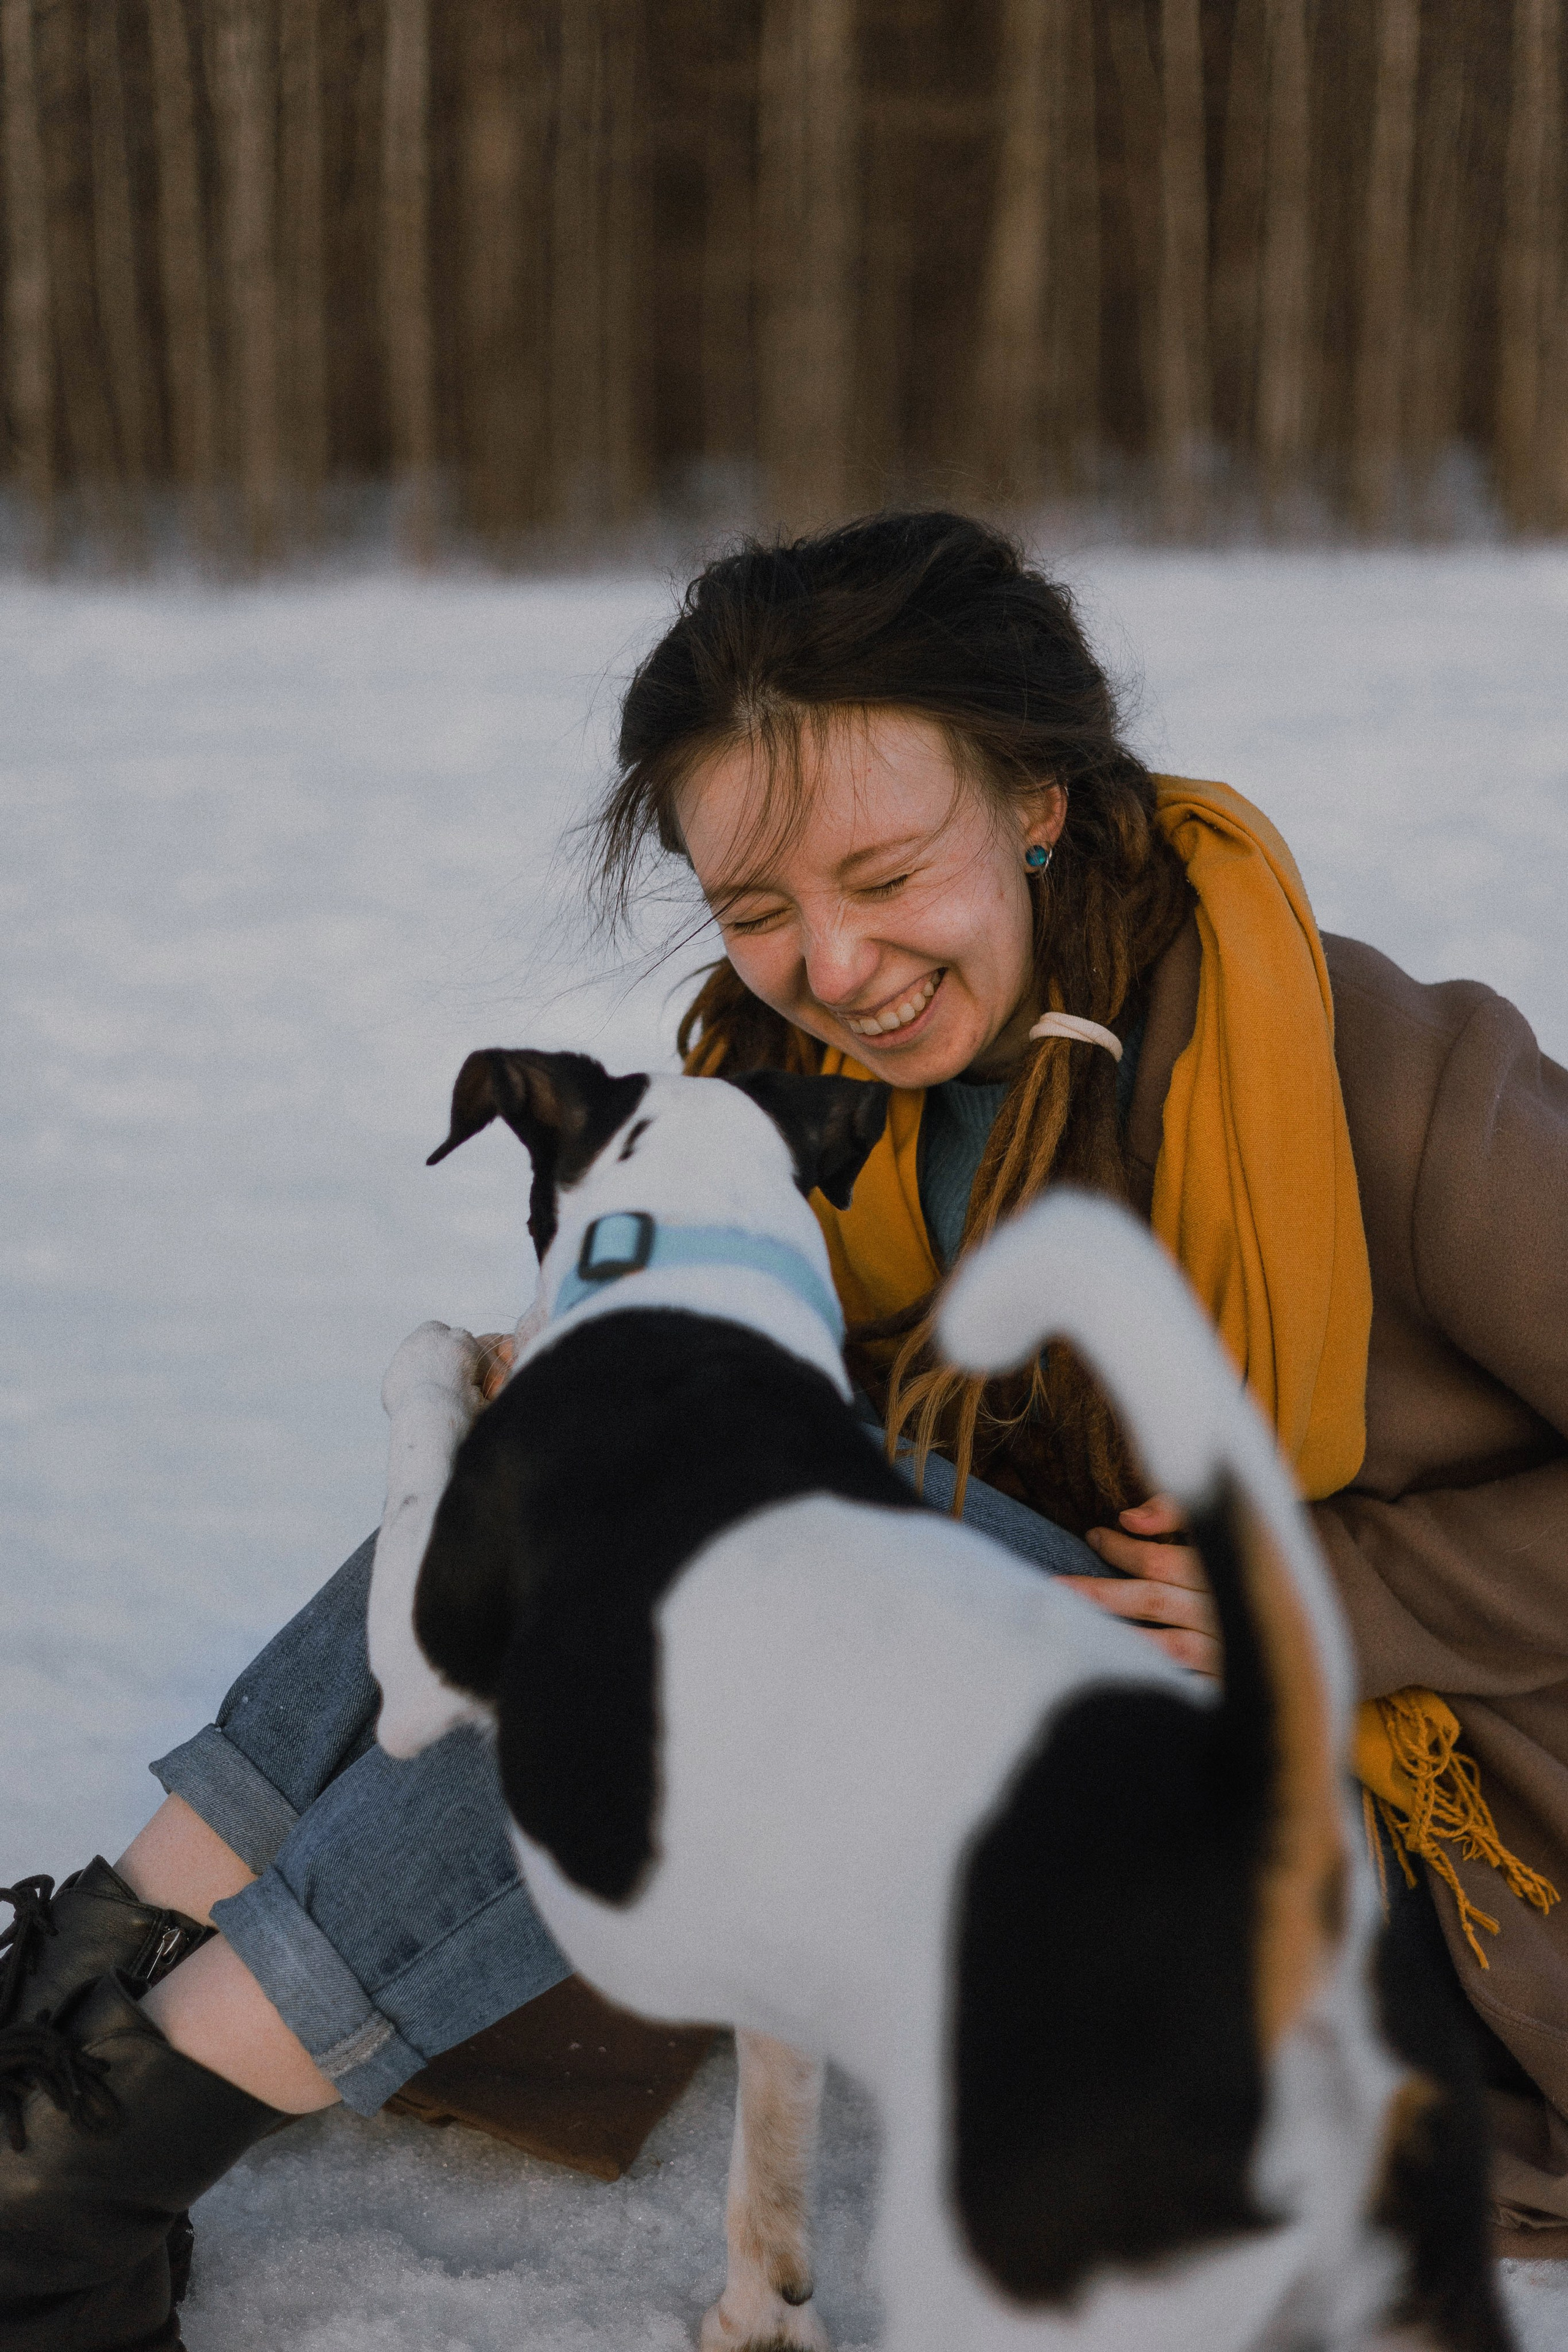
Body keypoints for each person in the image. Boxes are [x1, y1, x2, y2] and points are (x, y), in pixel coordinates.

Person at [5, 511, 1567, 2347]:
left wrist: (1334, 1591)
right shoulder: (786, 1101)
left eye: (889, 872)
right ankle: (86, 2001)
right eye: (758, 910)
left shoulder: (1363, 1068)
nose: (832, 964)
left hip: (1421, 1894)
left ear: (1041, 798)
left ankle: (66, 2192)